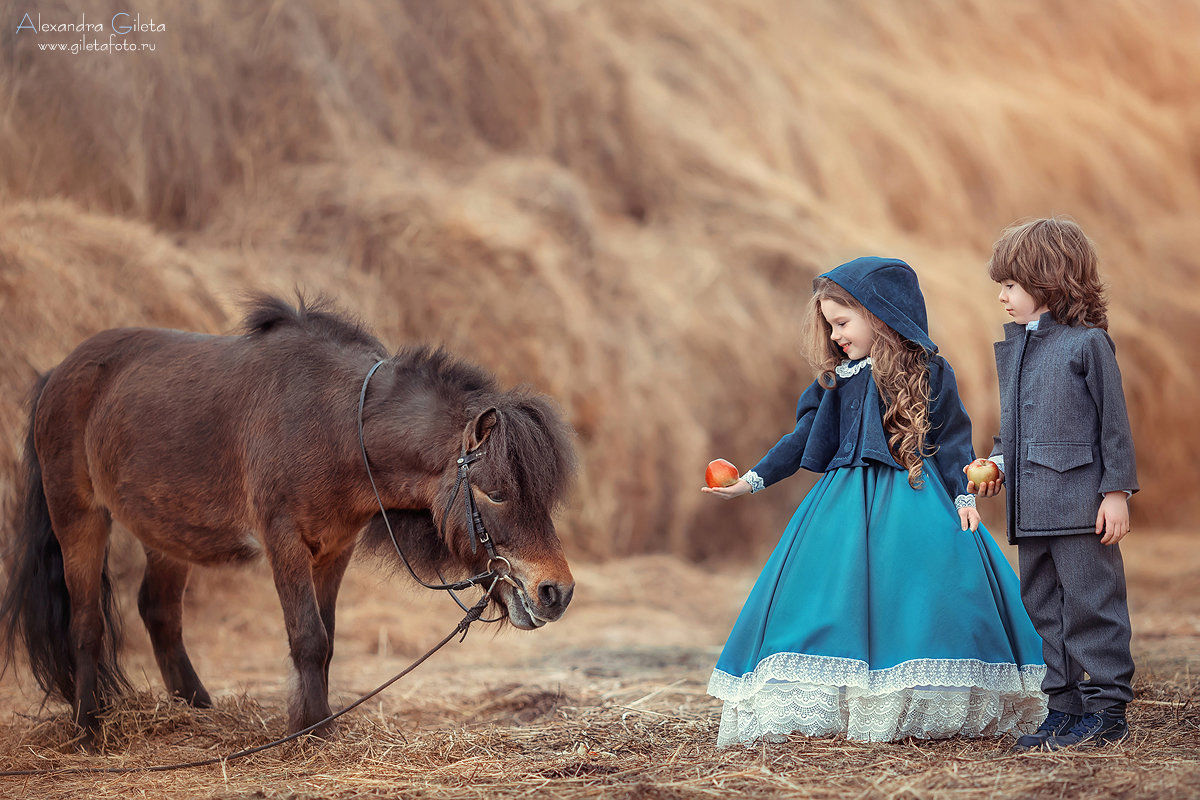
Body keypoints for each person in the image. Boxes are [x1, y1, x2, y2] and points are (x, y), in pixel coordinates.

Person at [704, 256, 1046, 747]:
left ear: (880, 314)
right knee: (826, 592)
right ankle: (846, 701)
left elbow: (951, 443)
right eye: (829, 326)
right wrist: (751, 480)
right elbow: (801, 438)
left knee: (922, 591)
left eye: (842, 322)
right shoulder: (835, 380)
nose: (836, 335)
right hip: (841, 504)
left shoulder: (928, 370)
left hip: (913, 493)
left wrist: (964, 496)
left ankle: (916, 697)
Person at [969, 218, 1137, 751]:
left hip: (1080, 503)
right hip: (1030, 506)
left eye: (1011, 285)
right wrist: (997, 461)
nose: (1002, 296)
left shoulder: (1089, 345)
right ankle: (1062, 706)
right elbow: (1013, 426)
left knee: (1093, 603)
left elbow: (1114, 426)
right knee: (1044, 606)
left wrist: (1116, 493)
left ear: (1049, 281)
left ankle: (1107, 709)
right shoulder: (1016, 347)